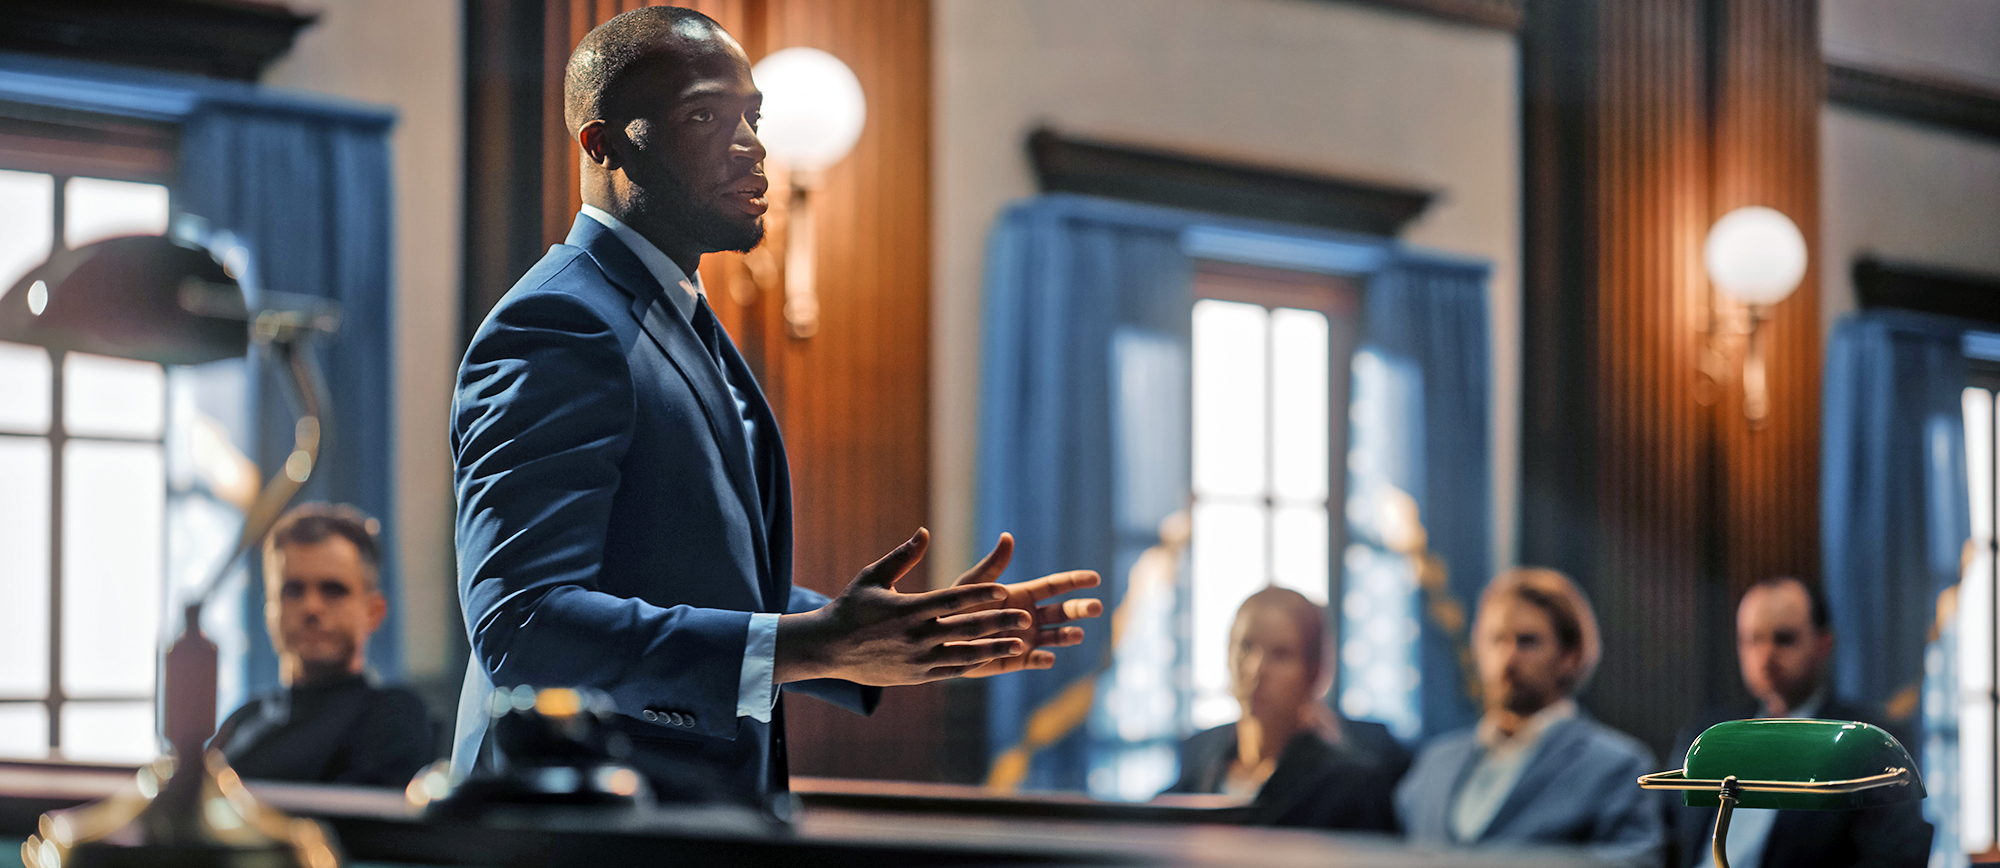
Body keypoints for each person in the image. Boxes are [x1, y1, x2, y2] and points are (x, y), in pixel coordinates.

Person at [448, 5, 1101, 803]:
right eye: (704, 116)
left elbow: (689, 573)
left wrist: (892, 637)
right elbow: (525, 625)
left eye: (752, 116)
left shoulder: (672, 313)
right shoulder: (558, 321)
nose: (752, 145)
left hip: (692, 814)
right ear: (603, 143)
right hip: (574, 817)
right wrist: (805, 645)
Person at [1396, 568, 1661, 866]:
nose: (1507, 658)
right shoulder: (1435, 763)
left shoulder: (1616, 767)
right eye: (1496, 640)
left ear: (1569, 657)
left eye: (1527, 641)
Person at [1665, 576, 1932, 868]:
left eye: (1784, 639)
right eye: (1752, 639)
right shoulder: (1708, 736)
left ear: (1823, 644)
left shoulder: (1865, 742)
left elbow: (1895, 855)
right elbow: (1665, 839)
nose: (1765, 655)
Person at [210, 503, 438, 786]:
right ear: (270, 611)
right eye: (293, 590)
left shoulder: (395, 716)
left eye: (333, 590)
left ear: (374, 612)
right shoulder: (243, 720)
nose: (311, 607)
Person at [1168, 586, 1405, 831]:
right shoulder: (1200, 761)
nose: (1255, 670)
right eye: (1245, 647)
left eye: (1281, 655)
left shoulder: (1351, 787)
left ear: (1314, 672)